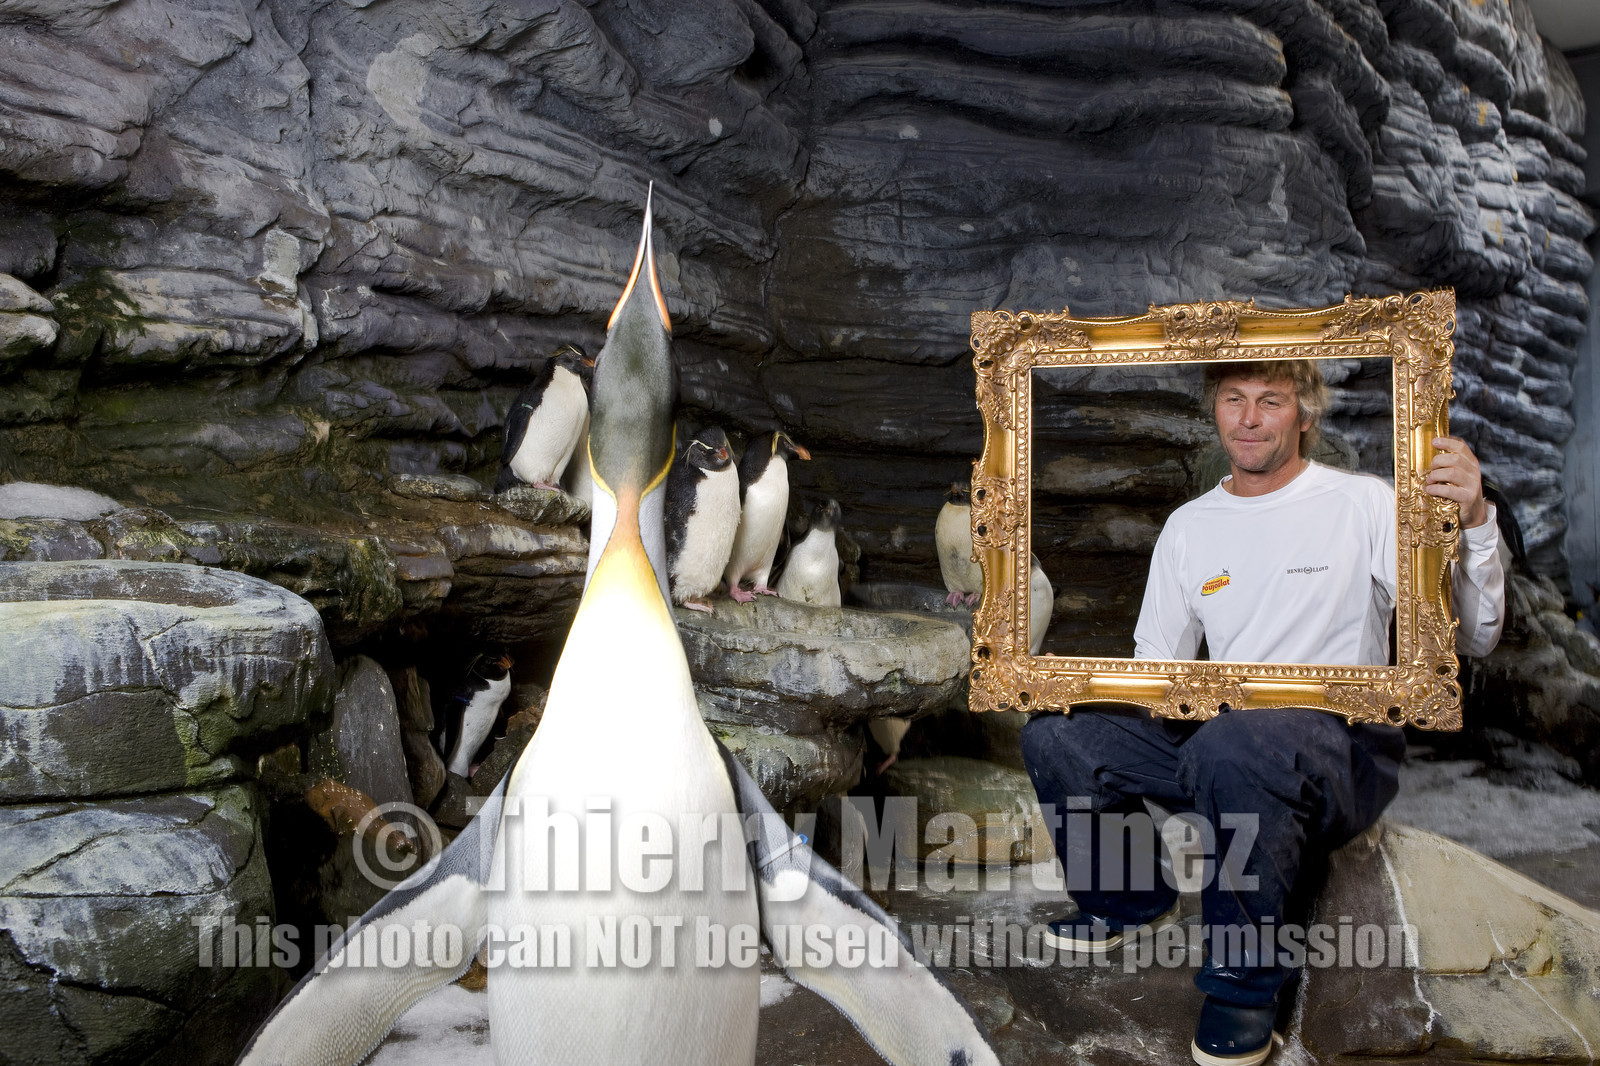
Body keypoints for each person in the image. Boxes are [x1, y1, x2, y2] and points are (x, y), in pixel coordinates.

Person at [1021, 359, 1505, 1066]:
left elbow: (1478, 635)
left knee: (1236, 743)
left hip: (1343, 746)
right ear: (1215, 411)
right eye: (1234, 399)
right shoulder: (1190, 526)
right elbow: (1156, 662)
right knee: (1058, 734)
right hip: (1223, 737)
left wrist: (1478, 522)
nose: (1248, 419)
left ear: (1306, 415)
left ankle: (1246, 987)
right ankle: (1124, 897)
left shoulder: (1366, 504)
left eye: (1270, 401)